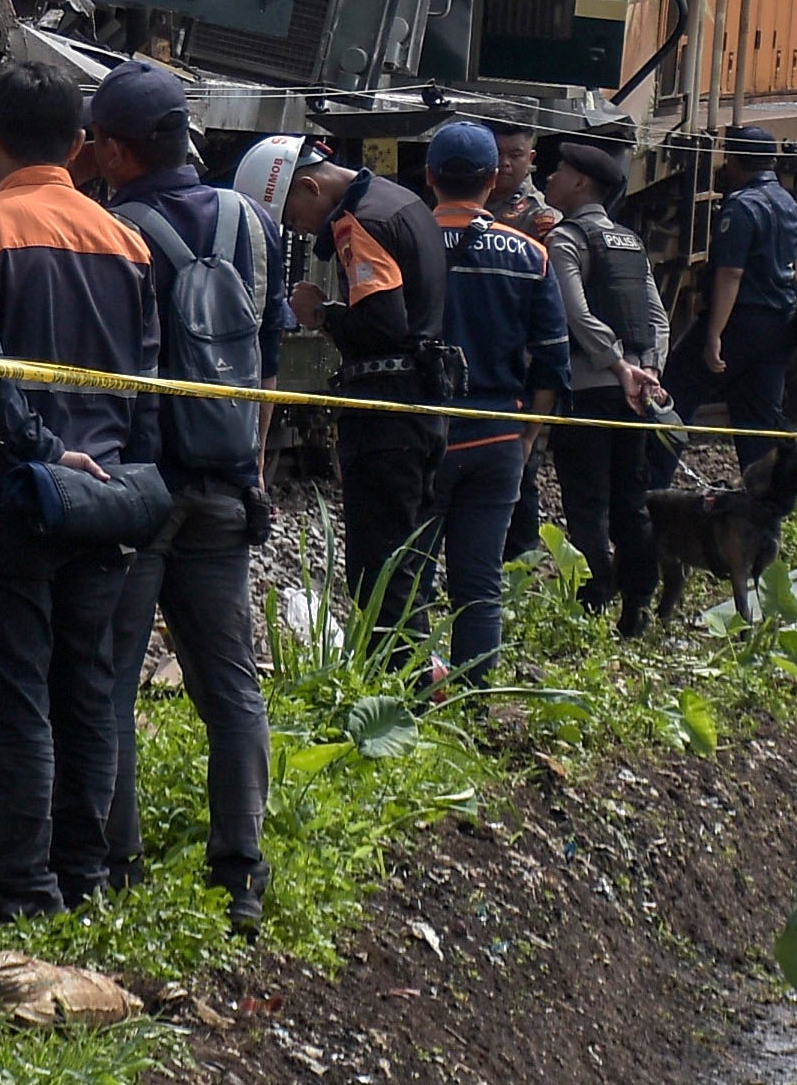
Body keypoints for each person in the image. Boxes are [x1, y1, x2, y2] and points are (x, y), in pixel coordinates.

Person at [0, 61, 161, 922]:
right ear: (78, 145)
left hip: (8, 492)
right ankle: (85, 875)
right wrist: (125, 474)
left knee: (13, 695)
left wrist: (44, 451)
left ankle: (24, 884)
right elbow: (145, 383)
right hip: (106, 501)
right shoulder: (124, 239)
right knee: (87, 690)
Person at [81, 61, 276, 928]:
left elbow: (102, 370)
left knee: (112, 679)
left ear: (119, 150)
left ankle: (115, 866)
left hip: (140, 486)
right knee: (231, 685)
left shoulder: (114, 231)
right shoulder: (254, 222)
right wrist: (250, 469)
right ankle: (241, 871)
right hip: (228, 482)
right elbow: (265, 361)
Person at [276, 142, 449, 653]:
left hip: (384, 419)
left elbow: (382, 322)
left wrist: (322, 313)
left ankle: (396, 688)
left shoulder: (359, 222)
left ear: (310, 187)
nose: (302, 230)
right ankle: (417, 676)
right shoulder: (403, 201)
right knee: (411, 561)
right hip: (424, 407)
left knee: (379, 569)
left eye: (295, 216)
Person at [424, 124, 565, 680]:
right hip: (499, 434)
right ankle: (473, 697)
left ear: (430, 175)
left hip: (424, 433)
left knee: (409, 572)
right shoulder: (531, 254)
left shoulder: (402, 240)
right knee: (479, 580)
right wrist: (527, 435)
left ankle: (408, 689)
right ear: (492, 179)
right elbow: (553, 358)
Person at [538, 140, 672, 633]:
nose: (549, 179)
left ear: (580, 183)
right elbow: (657, 316)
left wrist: (616, 365)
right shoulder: (629, 241)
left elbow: (574, 312)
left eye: (558, 172)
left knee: (587, 501)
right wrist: (648, 369)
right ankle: (637, 603)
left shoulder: (566, 240)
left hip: (592, 387)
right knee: (630, 500)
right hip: (637, 395)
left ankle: (592, 604)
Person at [701, 127, 797, 475]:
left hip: (743, 322)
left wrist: (714, 333)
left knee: (677, 394)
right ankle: (766, 503)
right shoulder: (789, 204)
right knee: (760, 418)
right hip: (781, 321)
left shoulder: (743, 206)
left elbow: (731, 273)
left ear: (733, 160)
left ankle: (649, 487)